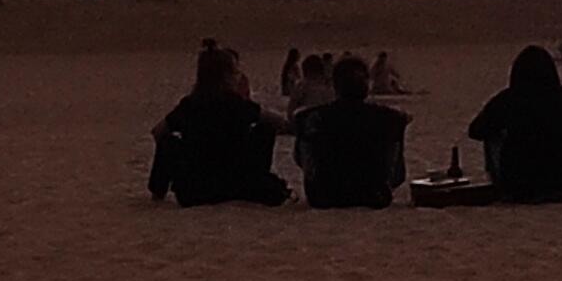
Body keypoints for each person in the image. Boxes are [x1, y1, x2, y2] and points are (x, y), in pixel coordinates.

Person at [149, 45, 290, 206]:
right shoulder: (236, 104)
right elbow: (277, 122)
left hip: (194, 189)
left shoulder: (189, 105)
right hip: (235, 183)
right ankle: (256, 177)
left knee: (168, 141)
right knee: (264, 130)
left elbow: (158, 131)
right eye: (235, 72)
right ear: (225, 76)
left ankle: (157, 193)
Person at [466, 45, 562, 202]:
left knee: (491, 133)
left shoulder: (506, 100)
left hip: (518, 186)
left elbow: (476, 131)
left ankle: (503, 181)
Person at [294, 56, 411, 209]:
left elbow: (301, 160)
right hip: (374, 195)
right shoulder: (390, 118)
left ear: (335, 86)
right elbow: (397, 175)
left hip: (323, 196)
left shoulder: (310, 118)